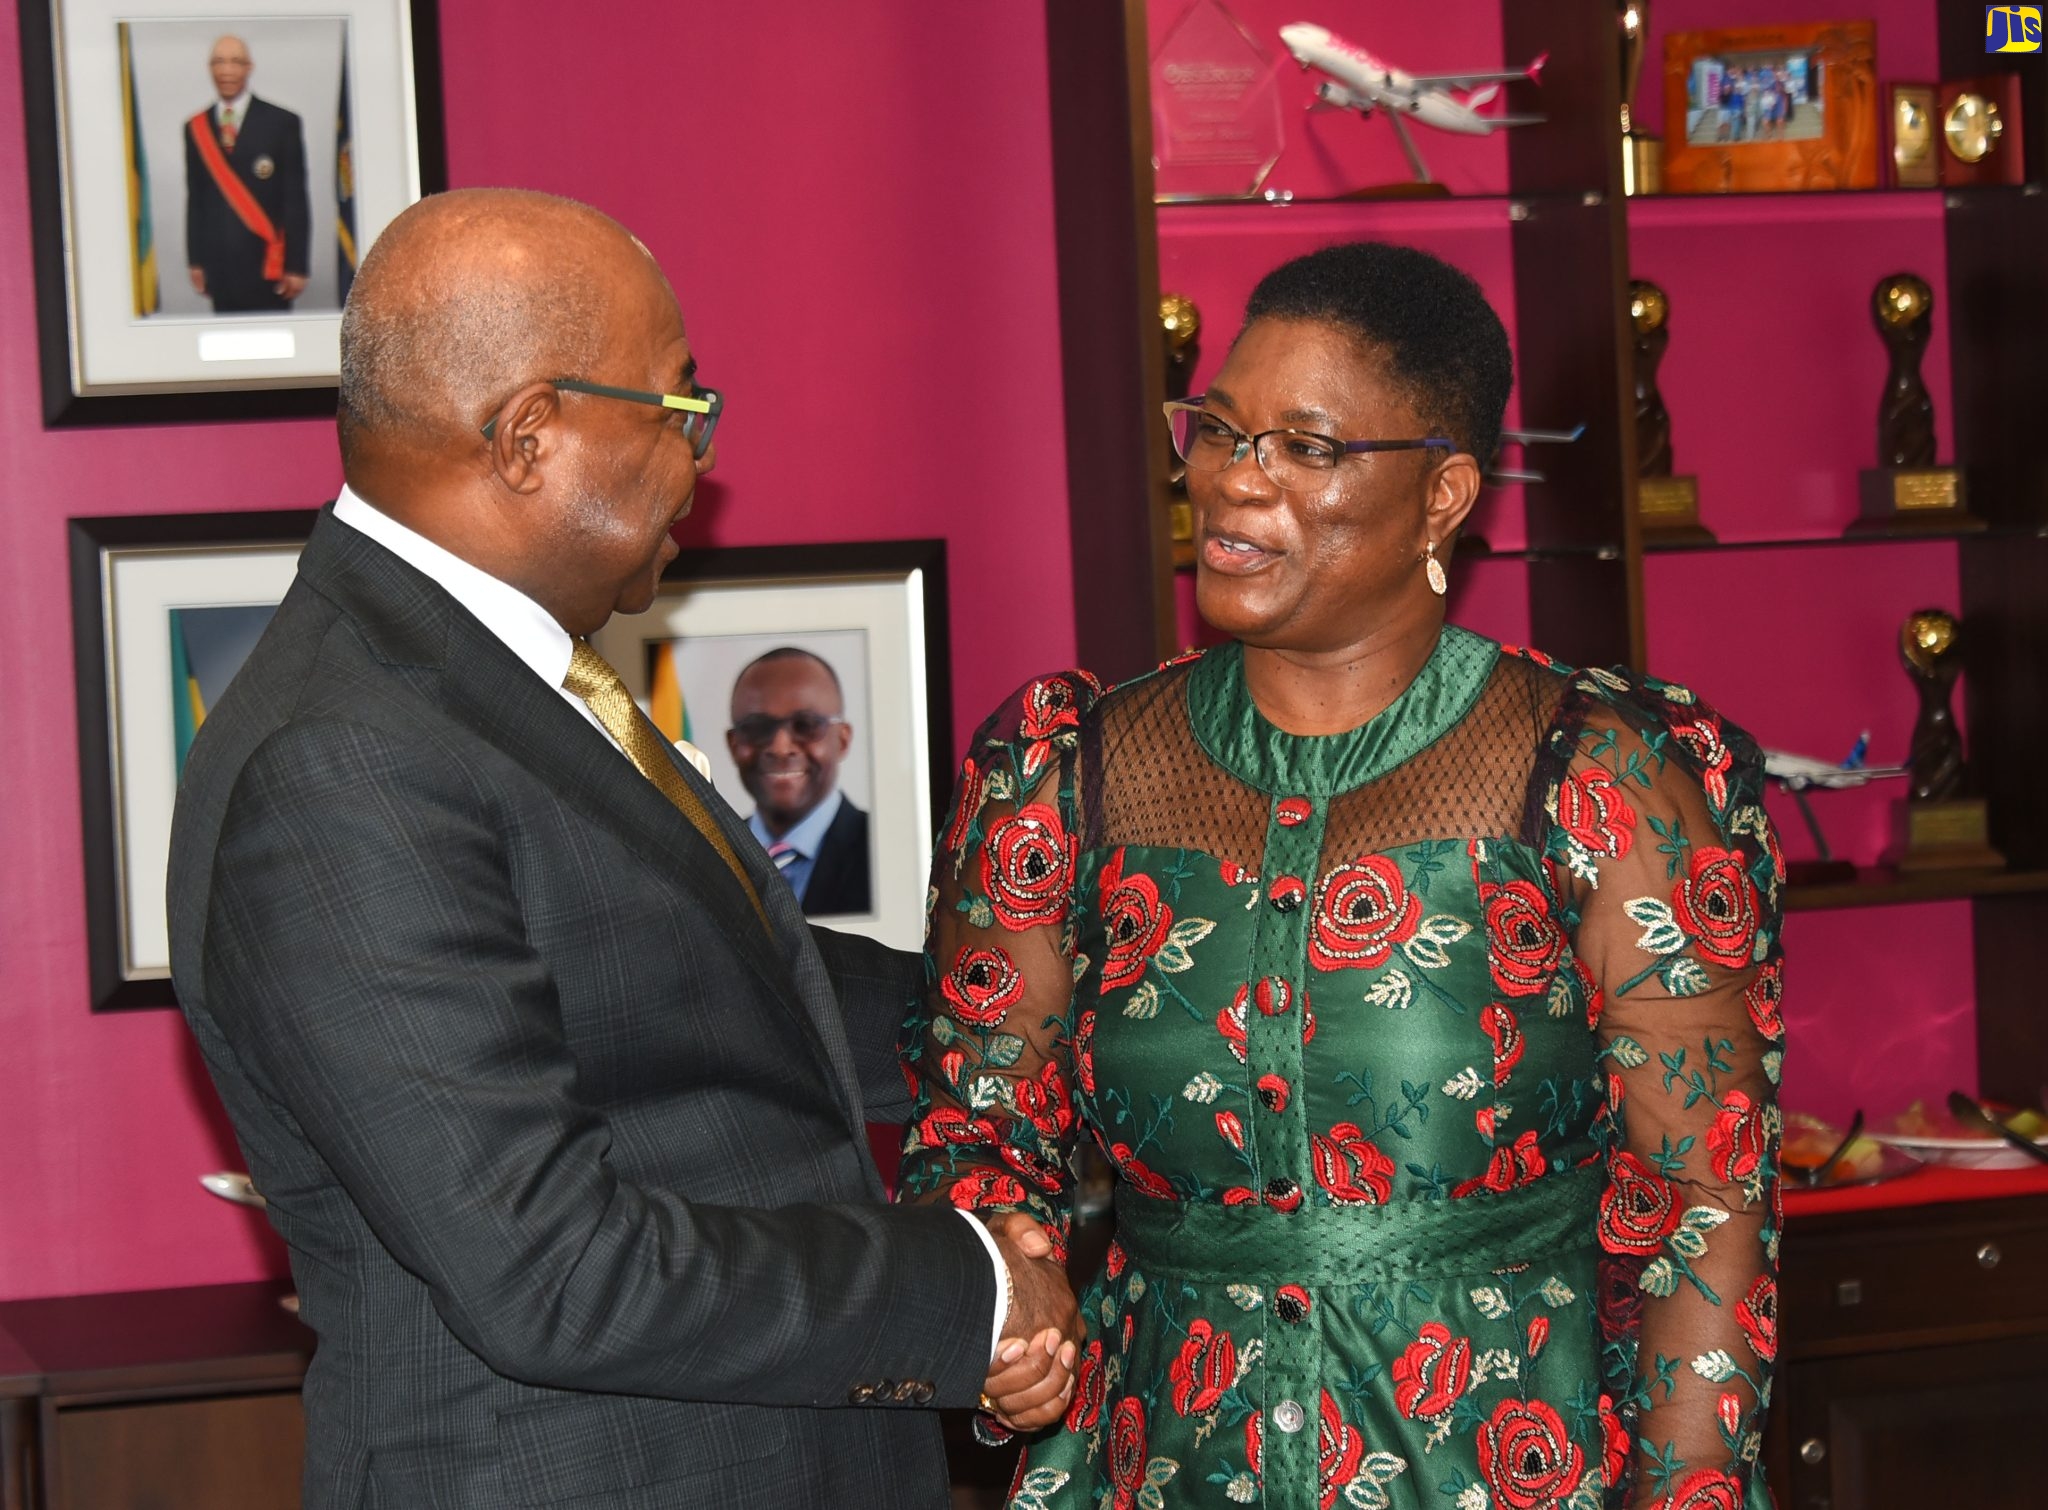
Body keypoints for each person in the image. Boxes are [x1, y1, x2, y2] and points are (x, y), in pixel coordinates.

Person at [166, 188, 1080, 1510]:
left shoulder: (494, 677)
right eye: (678, 406)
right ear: (529, 436)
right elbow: (553, 1270)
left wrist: (1077, 1016)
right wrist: (969, 1287)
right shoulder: (341, 759)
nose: (699, 455)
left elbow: (715, 983)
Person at [898, 241, 1784, 1510]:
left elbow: (1702, 1201)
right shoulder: (1064, 772)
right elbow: (974, 1129)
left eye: (1303, 447)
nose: (1231, 477)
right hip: (1159, 1467)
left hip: (1502, 1466)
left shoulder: (1597, 779)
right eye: (1216, 428)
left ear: (1442, 494)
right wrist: (1007, 1288)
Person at [728, 647, 872, 915]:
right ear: (733, 745)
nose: (780, 748)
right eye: (757, 727)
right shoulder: (709, 856)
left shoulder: (883, 849)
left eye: (806, 725)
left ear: (842, 740)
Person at [184, 34, 309, 312]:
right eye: (219, 62)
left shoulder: (282, 122)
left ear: (249, 67)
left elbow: (295, 199)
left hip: (268, 265)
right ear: (210, 68)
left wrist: (297, 266)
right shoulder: (195, 127)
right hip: (219, 266)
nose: (227, 70)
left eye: (235, 61)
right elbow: (196, 199)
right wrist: (196, 261)